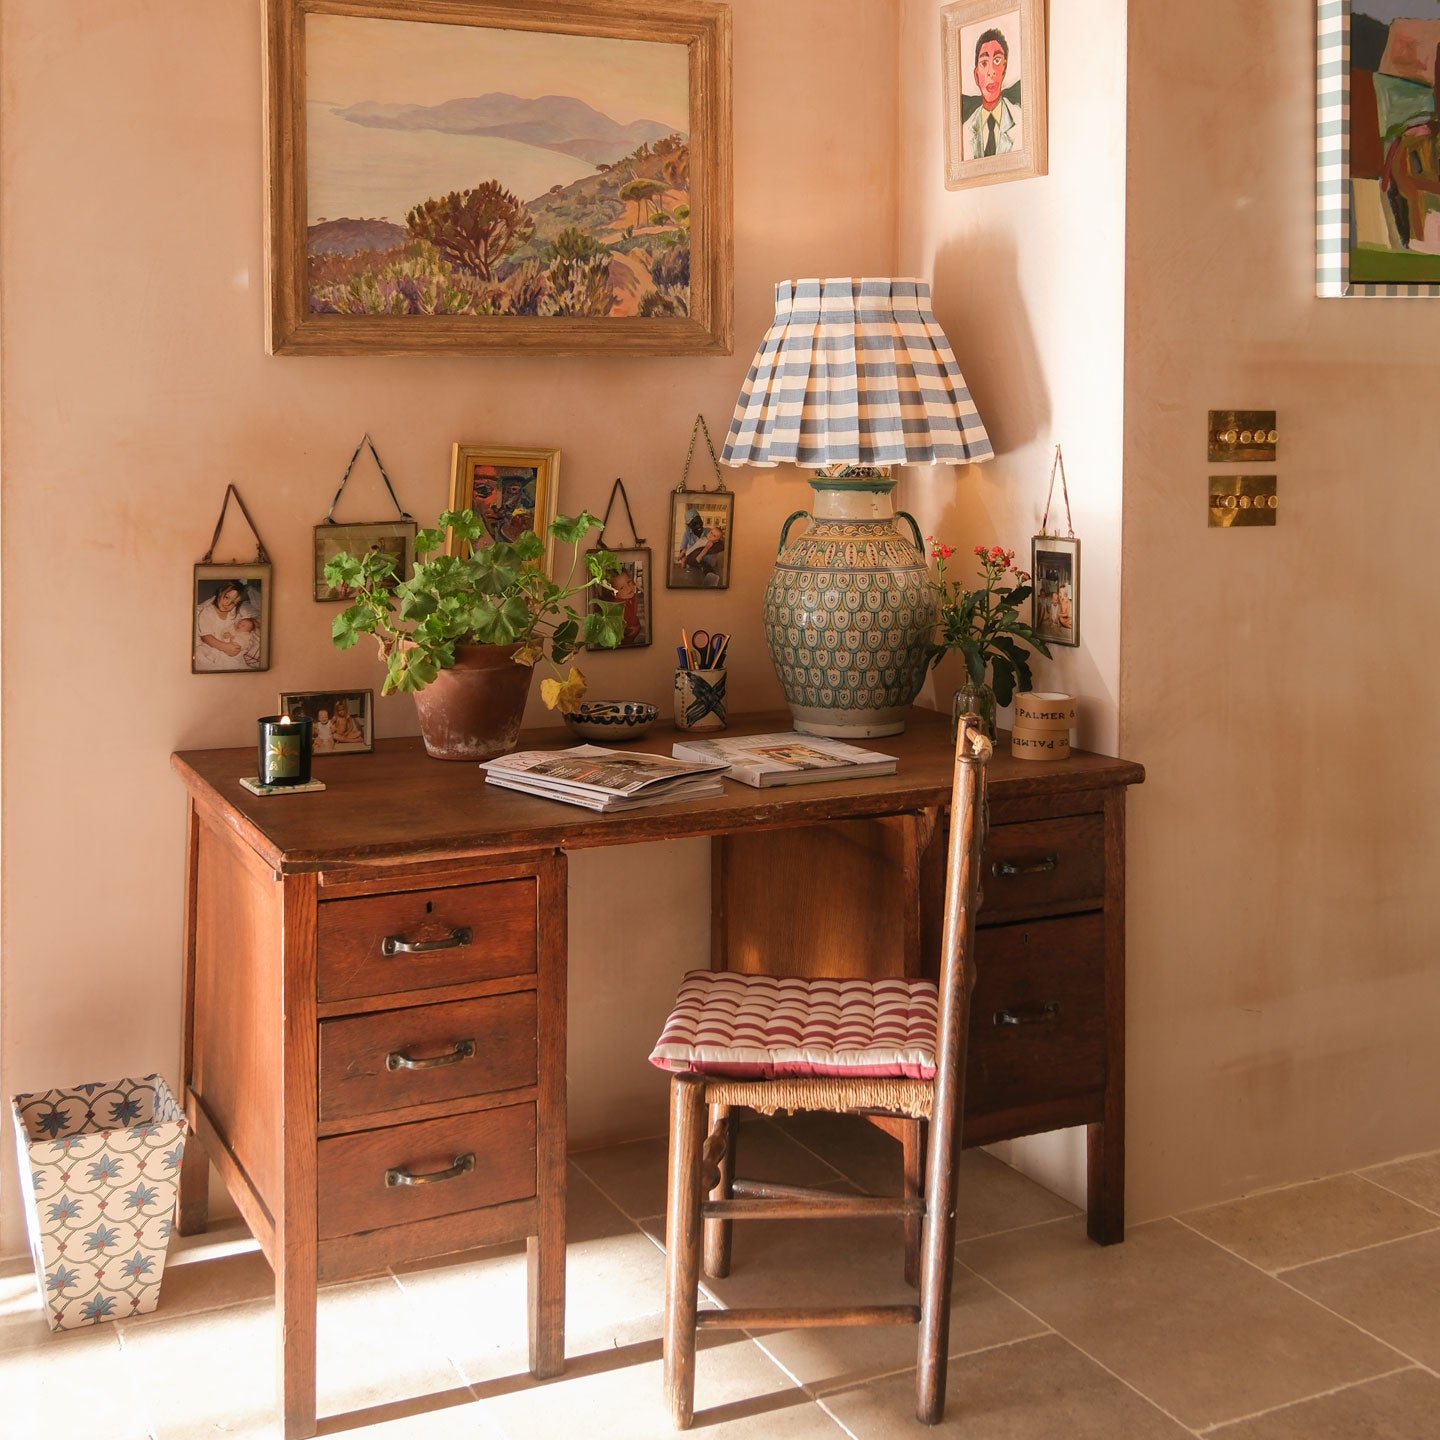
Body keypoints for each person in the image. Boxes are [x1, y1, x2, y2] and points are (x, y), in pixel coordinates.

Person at [964, 27, 1022, 160]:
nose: (991, 72)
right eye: (984, 63)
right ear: (976, 75)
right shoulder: (965, 131)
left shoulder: (1020, 121)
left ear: (1004, 69)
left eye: (997, 61)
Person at [194, 579, 258, 671]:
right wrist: (224, 647)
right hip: (211, 647)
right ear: (220, 593)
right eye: (227, 597)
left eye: (233, 602)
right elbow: (206, 636)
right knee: (198, 654)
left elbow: (248, 620)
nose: (228, 603)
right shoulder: (207, 612)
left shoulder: (234, 613)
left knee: (236, 664)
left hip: (231, 648)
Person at [676, 508, 724, 584]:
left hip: (705, 563)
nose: (698, 525)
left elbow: (720, 545)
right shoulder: (687, 534)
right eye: (694, 523)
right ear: (689, 525)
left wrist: (703, 551)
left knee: (708, 578)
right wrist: (684, 558)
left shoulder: (709, 531)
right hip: (692, 564)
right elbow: (683, 548)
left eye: (699, 521)